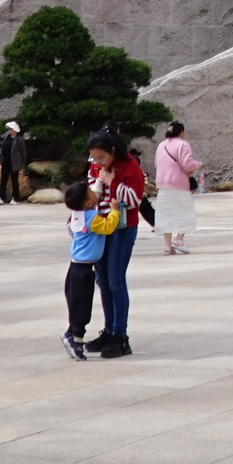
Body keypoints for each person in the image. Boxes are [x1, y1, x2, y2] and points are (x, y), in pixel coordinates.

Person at [86, 129, 144, 357]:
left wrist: (113, 182)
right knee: (102, 280)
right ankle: (109, 330)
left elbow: (135, 200)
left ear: (112, 151)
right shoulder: (95, 167)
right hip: (101, 227)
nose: (97, 162)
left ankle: (120, 335)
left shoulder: (130, 166)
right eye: (94, 158)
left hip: (122, 228)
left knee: (116, 280)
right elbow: (92, 196)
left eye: (101, 157)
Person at [61, 183, 105, 360]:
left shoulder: (75, 216)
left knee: (76, 303)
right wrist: (116, 212)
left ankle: (71, 333)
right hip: (84, 269)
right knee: (83, 306)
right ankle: (76, 342)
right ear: (87, 203)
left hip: (74, 267)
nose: (95, 193)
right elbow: (108, 227)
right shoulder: (93, 217)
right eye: (90, 192)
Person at [153, 121, 203, 254]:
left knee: (166, 215)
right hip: (179, 184)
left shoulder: (161, 145)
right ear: (181, 132)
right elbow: (188, 164)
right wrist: (199, 165)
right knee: (185, 212)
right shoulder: (183, 144)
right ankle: (179, 240)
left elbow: (157, 164)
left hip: (162, 185)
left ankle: (167, 246)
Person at [0, 121, 28, 203]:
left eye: (11, 129)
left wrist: (22, 164)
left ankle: (15, 198)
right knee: (3, 179)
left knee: (14, 180)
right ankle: (1, 197)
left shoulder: (20, 139)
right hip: (5, 161)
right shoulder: (6, 135)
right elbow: (0, 138)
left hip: (14, 162)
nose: (10, 130)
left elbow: (23, 153)